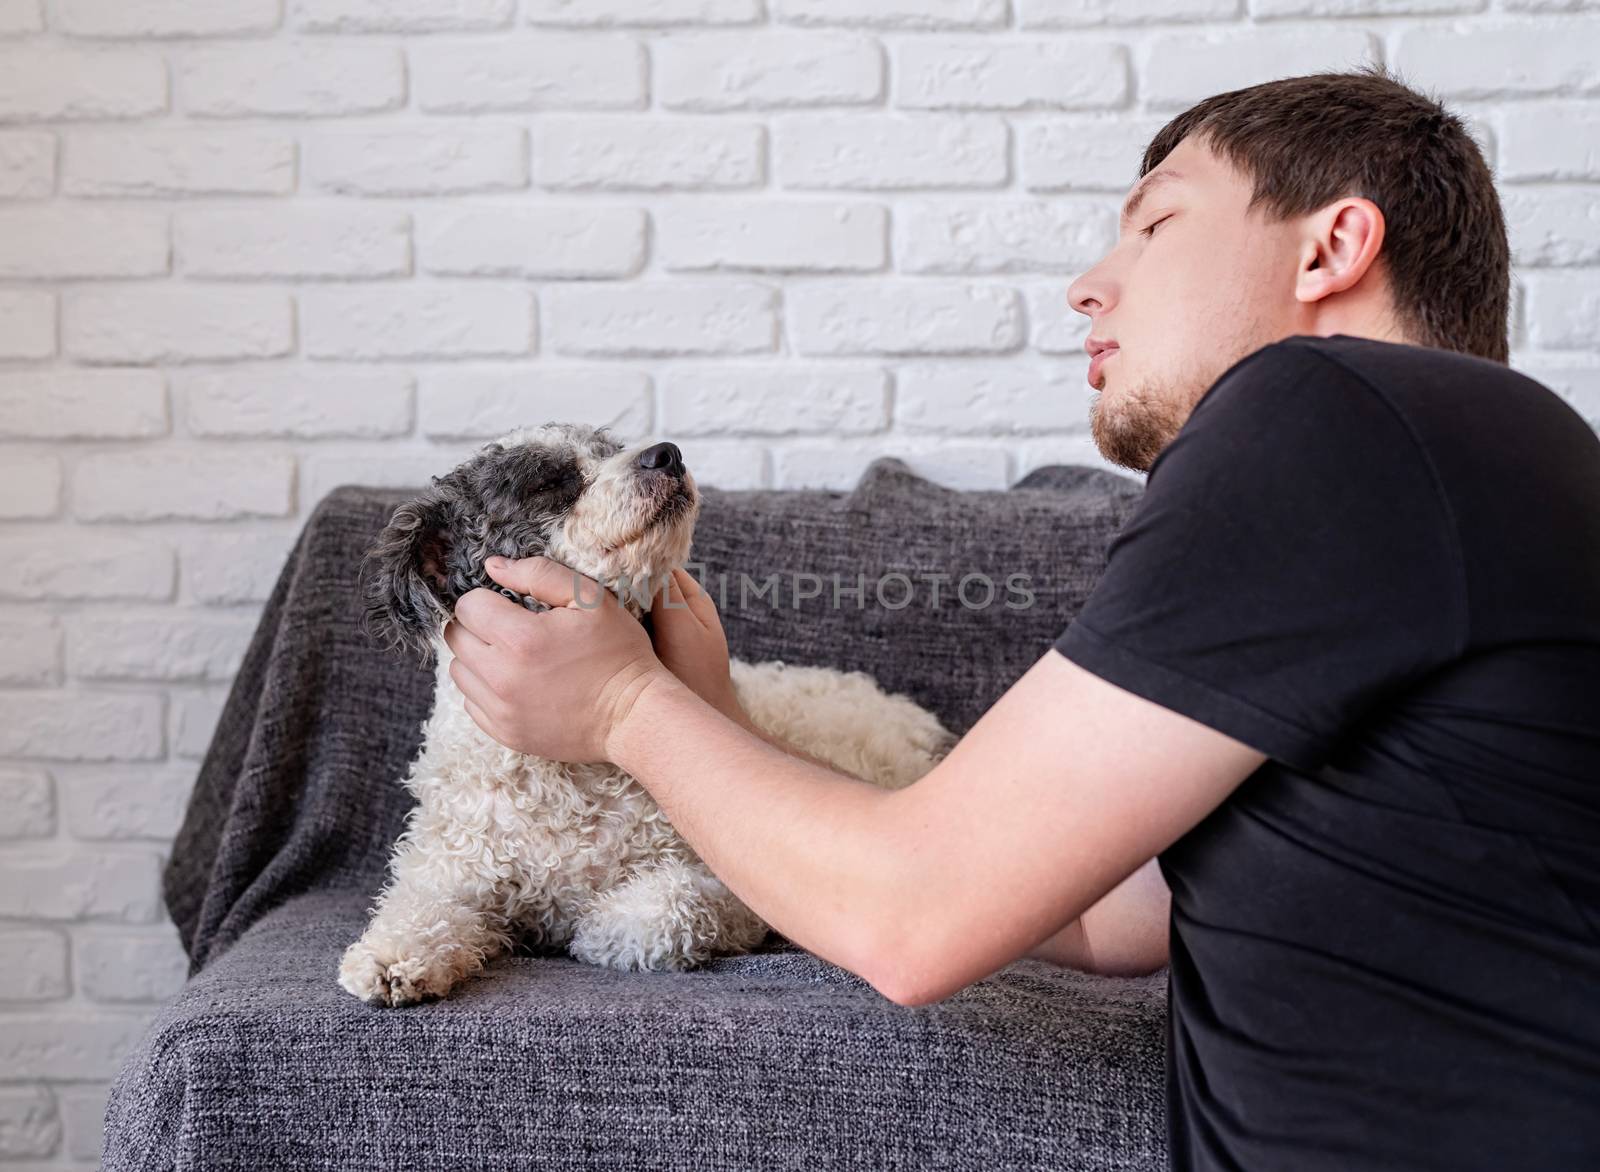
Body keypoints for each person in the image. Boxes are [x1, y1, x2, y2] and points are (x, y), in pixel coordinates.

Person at [441, 64, 1600, 1171]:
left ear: (1332, 245)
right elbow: (1109, 908)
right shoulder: (1467, 456)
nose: (1088, 284)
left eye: (1154, 225)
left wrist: (621, 704)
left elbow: (914, 917)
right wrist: (717, 728)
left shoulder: (1327, 406)